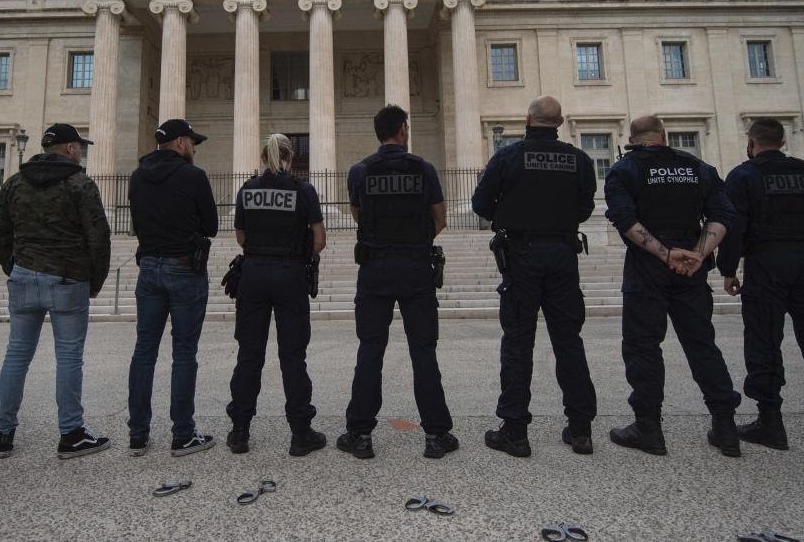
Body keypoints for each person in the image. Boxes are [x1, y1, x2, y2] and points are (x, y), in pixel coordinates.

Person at [603, 115, 742, 457]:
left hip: (647, 267)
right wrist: (697, 254)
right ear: (664, 136)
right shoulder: (697, 167)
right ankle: (725, 426)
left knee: (643, 347)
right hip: (690, 269)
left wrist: (665, 254)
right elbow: (723, 215)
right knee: (702, 345)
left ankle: (648, 428)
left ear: (631, 138)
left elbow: (626, 221)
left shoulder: (625, 169)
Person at [471, 96, 598, 457]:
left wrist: (511, 214)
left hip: (521, 255)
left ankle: (514, 430)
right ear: (560, 121)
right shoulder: (580, 159)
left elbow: (481, 204)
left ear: (528, 119)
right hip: (562, 254)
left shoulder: (509, 156)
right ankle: (580, 429)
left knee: (517, 342)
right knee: (568, 341)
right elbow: (586, 206)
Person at [717, 118, 804, 451]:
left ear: (752, 142)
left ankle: (771, 422)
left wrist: (729, 268)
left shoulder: (744, 176)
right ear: (783, 140)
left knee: (763, 343)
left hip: (767, 263)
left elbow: (734, 227)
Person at [337, 105, 458, 460]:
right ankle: (436, 435)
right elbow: (440, 219)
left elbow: (358, 216)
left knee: (370, 351)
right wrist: (415, 240)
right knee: (423, 351)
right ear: (403, 130)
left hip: (375, 268)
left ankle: (359, 434)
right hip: (416, 267)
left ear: (378, 133)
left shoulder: (360, 171)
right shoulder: (424, 169)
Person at [0, 123, 111, 459]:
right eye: (79, 146)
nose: (81, 151)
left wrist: (13, 266)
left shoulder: (14, 183)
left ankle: (2, 433)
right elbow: (99, 237)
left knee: (16, 356)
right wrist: (94, 281)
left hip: (25, 274)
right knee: (69, 358)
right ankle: (71, 433)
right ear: (70, 149)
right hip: (68, 278)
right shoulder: (79, 183)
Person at [226, 134, 328, 456]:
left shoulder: (248, 190)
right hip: (290, 274)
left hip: (254, 274)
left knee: (249, 355)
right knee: (293, 356)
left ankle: (240, 431)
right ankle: (300, 433)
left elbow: (240, 236)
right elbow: (320, 239)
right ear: (290, 158)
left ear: (261, 156)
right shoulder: (303, 191)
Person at [126, 119, 218, 457]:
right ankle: (182, 434)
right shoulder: (193, 176)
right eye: (192, 142)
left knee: (144, 351)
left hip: (149, 268)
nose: (194, 147)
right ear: (180, 143)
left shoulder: (137, 176)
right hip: (184, 269)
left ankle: (138, 433)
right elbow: (211, 225)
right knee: (184, 353)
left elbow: (137, 222)